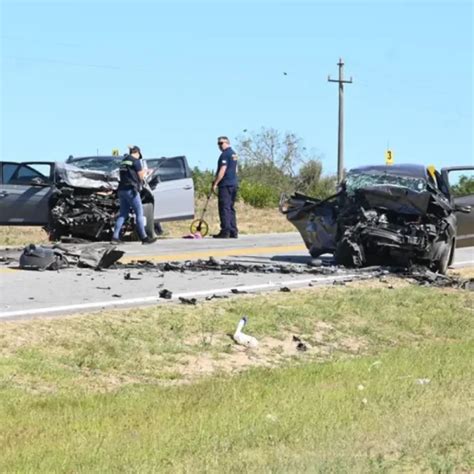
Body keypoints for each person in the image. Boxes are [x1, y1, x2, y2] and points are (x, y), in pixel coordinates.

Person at [111, 146, 157, 244]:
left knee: (123, 214)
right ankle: (144, 238)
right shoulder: (136, 161)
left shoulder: (123, 161)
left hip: (121, 189)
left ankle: (115, 237)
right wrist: (147, 171)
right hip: (131, 190)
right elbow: (141, 177)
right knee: (139, 213)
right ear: (138, 152)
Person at [211, 136, 239, 238]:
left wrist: (215, 183)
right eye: (218, 144)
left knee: (224, 208)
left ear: (227, 142)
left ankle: (226, 231)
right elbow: (236, 169)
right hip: (233, 183)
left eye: (221, 143)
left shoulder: (225, 155)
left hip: (226, 184)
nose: (219, 146)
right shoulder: (234, 154)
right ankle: (233, 230)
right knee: (230, 207)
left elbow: (222, 170)